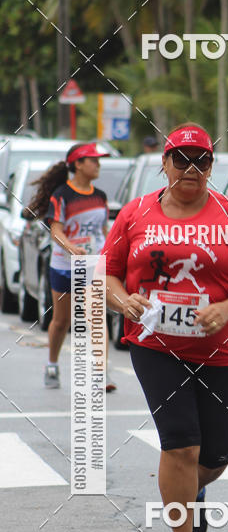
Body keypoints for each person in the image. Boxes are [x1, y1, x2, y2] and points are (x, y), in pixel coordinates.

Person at [102, 123, 228, 532]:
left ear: (212, 166)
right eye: (182, 159)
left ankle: (191, 490)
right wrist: (124, 301)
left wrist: (227, 309)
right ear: (165, 162)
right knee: (180, 443)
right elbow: (108, 275)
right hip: (154, 345)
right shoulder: (135, 215)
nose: (191, 168)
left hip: (219, 349)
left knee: (215, 456)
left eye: (202, 160)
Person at [29, 142, 116, 391]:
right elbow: (55, 230)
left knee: (97, 318)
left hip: (92, 265)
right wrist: (70, 248)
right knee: (61, 321)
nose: (98, 165)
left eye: (99, 161)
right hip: (64, 266)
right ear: (77, 164)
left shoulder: (100, 196)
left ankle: (101, 373)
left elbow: (102, 230)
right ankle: (52, 364)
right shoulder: (61, 194)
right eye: (93, 160)